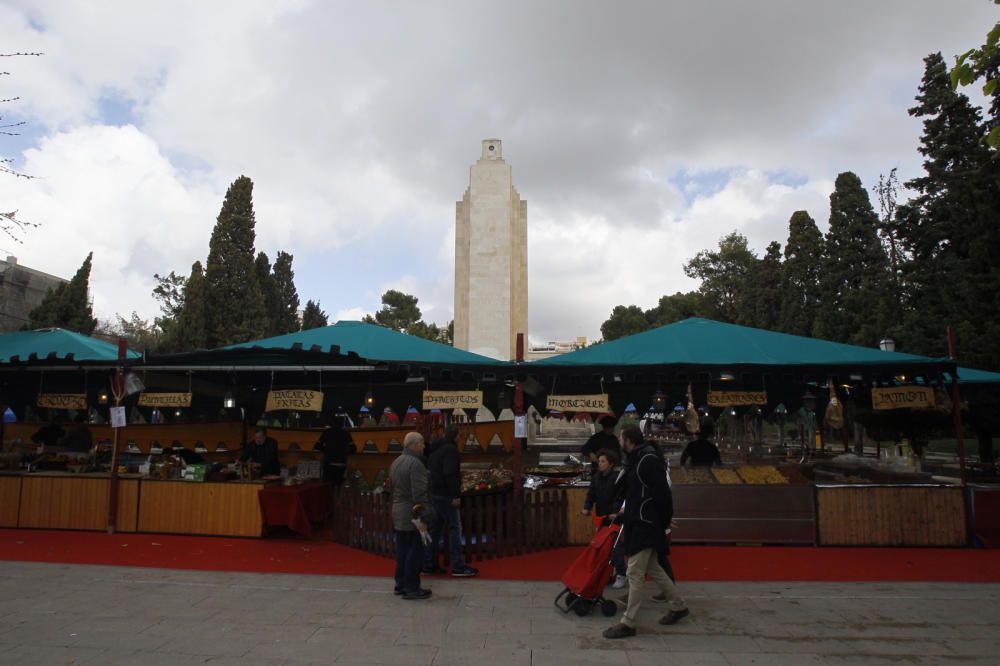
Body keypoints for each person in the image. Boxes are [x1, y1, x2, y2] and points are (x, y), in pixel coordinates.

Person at [603, 425, 689, 639]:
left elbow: (663, 494)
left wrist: (665, 520)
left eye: (620, 437)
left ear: (628, 440)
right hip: (639, 521)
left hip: (646, 524)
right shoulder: (634, 459)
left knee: (634, 572)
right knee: (655, 569)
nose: (619, 441)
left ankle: (628, 622)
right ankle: (679, 606)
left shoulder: (647, 460)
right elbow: (633, 493)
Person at [423, 424, 479, 578]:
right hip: (446, 495)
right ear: (456, 436)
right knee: (455, 528)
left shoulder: (435, 449)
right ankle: (458, 565)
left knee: (435, 529)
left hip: (435, 493)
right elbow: (449, 473)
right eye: (460, 436)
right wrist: (455, 495)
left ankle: (429, 563)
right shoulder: (450, 450)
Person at [389, 431, 432, 600]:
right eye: (421, 442)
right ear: (414, 445)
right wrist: (424, 516)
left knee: (402, 550)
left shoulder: (396, 461)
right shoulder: (416, 464)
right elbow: (419, 493)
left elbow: (392, 487)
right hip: (412, 512)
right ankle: (411, 587)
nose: (424, 445)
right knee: (414, 551)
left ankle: (400, 583)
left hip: (398, 508)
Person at [580, 449, 627, 588]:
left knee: (616, 546)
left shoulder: (617, 478)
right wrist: (587, 508)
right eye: (599, 461)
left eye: (603, 461)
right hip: (601, 516)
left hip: (615, 518)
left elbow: (620, 497)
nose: (600, 464)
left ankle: (621, 574)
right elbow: (591, 494)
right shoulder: (596, 477)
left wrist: (616, 512)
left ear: (611, 464)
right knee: (602, 547)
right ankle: (607, 572)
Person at [314, 416, 356, 489]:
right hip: (341, 463)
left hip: (329, 462)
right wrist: (344, 453)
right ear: (342, 424)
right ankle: (337, 498)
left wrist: (327, 450)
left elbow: (317, 446)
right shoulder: (346, 433)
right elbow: (353, 448)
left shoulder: (327, 432)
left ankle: (328, 499)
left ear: (332, 423)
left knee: (327, 486)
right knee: (338, 486)